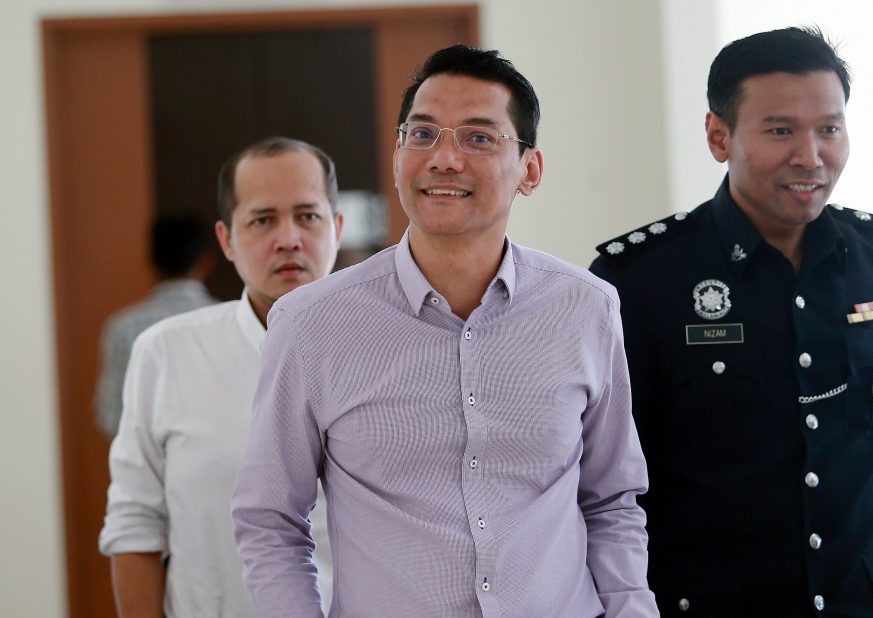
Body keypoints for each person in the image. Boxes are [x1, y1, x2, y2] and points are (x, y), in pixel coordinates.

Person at [232, 45, 656, 617]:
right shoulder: (311, 325)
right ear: (397, 156)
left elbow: (610, 502)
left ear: (530, 170)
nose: (444, 159)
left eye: (478, 137)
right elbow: (270, 522)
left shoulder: (587, 308)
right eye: (423, 134)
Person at [590, 26, 873, 617]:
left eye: (829, 129)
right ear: (719, 136)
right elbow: (597, 472)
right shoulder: (641, 277)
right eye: (780, 130)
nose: (810, 156)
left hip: (871, 602)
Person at [99, 137, 343, 617]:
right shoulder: (166, 353)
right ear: (227, 239)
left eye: (307, 216)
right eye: (262, 220)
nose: (288, 239)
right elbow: (135, 525)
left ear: (336, 227)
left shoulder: (395, 352)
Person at [94, 214, 216, 437]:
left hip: (145, 456)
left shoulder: (122, 327)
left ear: (151, 260)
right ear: (206, 260)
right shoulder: (230, 321)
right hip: (220, 455)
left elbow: (111, 416)